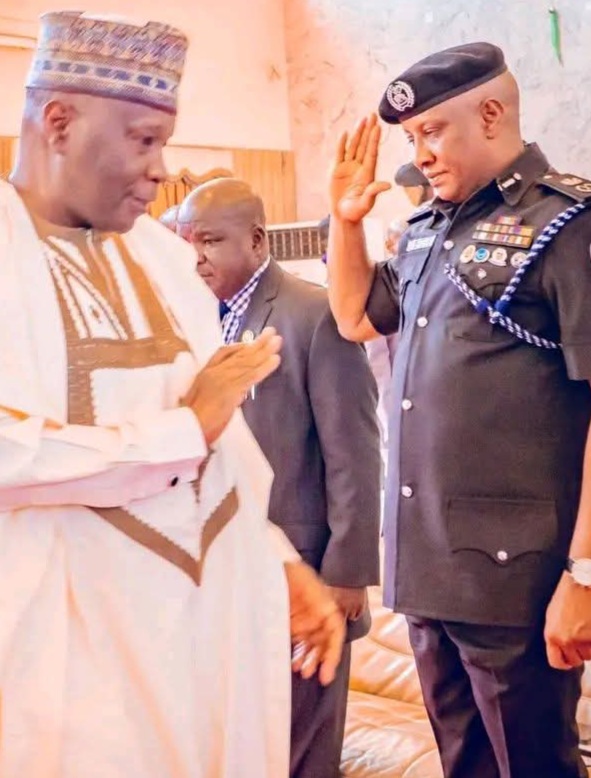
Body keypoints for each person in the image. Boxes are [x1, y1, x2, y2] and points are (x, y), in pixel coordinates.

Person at [0, 11, 345, 778]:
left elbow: (224, 448)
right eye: (143, 140)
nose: (161, 170)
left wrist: (277, 560)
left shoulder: (161, 257)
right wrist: (180, 432)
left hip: (208, 628)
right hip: (67, 651)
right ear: (58, 122)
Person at [327, 41, 591, 778]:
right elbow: (354, 317)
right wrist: (344, 222)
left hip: (514, 580)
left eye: (432, 132)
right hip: (427, 567)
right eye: (412, 138)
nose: (421, 154)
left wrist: (584, 573)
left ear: (491, 114)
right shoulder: (427, 231)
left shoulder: (567, 225)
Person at [177, 177, 381, 778]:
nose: (196, 257)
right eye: (187, 243)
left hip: (309, 570)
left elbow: (355, 452)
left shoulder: (312, 314)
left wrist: (347, 574)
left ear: (258, 240)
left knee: (304, 751)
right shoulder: (190, 320)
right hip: (225, 566)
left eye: (211, 241)